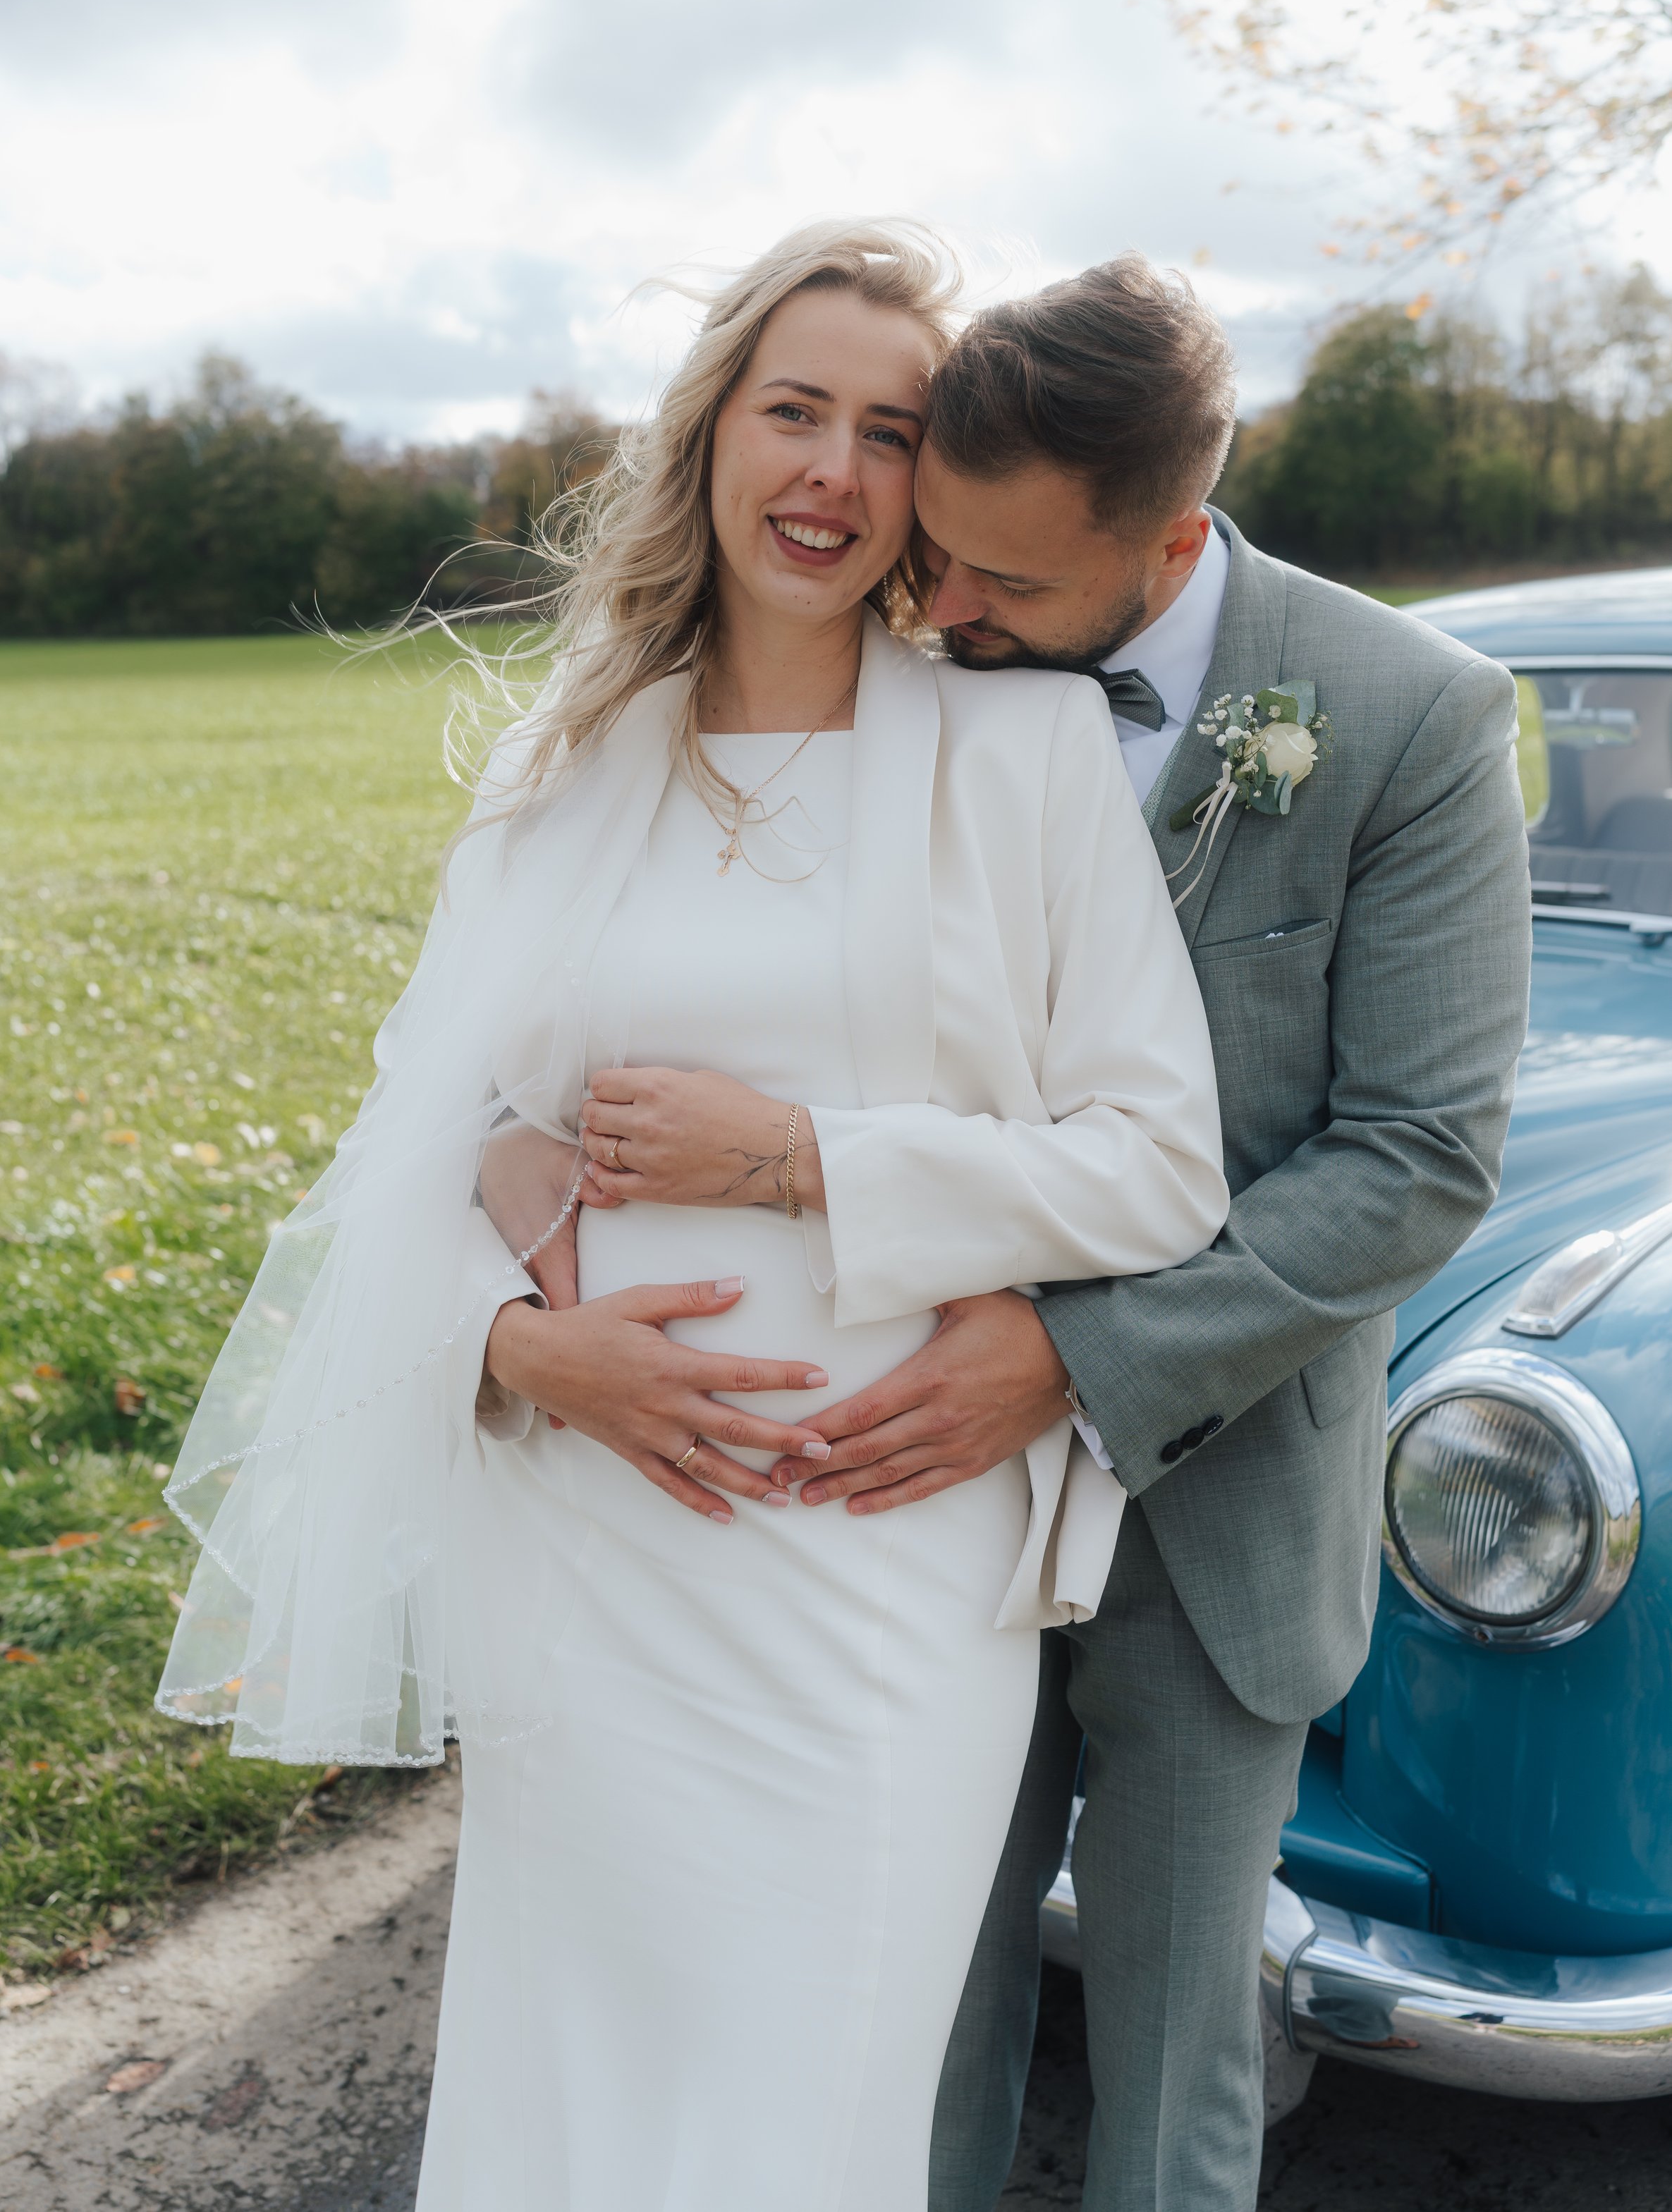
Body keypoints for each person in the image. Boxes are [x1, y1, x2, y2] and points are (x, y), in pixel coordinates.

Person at [154, 221, 1228, 2211]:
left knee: (801, 2109)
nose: (828, 471)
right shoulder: (567, 767)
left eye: (886, 430)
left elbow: (1156, 1164)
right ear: (711, 431)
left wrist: (800, 1158)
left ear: (934, 482)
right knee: (565, 2093)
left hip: (881, 1553)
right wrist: (509, 1345)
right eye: (790, 409)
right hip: (586, 1553)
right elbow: (444, 1134)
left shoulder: (1022, 756)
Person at [748, 259, 1532, 2212]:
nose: (940, 611)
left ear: (1168, 536)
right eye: (932, 558)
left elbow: (1417, 1153)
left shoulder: (1406, 716)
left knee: (1182, 2069)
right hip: (913, 1469)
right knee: (910, 2007)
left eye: (1000, 583)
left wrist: (1082, 1360)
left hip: (1224, 1497)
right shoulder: (898, 670)